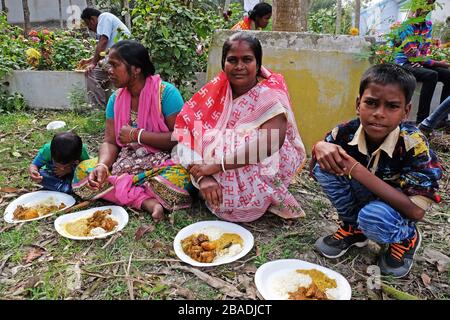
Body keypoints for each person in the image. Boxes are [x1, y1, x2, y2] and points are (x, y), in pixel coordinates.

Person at [311, 64, 443, 278]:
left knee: (375, 217)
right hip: (365, 195)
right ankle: (354, 228)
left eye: (392, 106)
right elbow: (322, 152)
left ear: (406, 111)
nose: (379, 114)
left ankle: (405, 237)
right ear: (358, 104)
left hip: (396, 209)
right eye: (371, 103)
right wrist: (319, 146)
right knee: (324, 165)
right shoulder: (346, 132)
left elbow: (416, 211)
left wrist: (356, 169)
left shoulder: (413, 144)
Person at [173, 32, 306, 223]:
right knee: (184, 144)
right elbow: (186, 132)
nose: (239, 67)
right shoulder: (215, 92)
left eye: (247, 60)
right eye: (232, 60)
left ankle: (226, 194)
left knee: (237, 148)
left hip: (250, 165)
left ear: (258, 64)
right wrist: (204, 177)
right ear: (223, 64)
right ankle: (201, 183)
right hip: (210, 167)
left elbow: (269, 143)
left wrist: (216, 166)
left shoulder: (269, 97)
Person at [73, 40, 192, 222]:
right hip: (125, 164)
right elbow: (110, 141)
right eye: (108, 65)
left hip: (161, 165)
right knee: (84, 171)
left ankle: (119, 189)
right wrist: (103, 165)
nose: (109, 71)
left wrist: (138, 135)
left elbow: (179, 138)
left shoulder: (166, 94)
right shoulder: (115, 99)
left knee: (182, 178)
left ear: (136, 69)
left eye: (114, 65)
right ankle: (145, 201)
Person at [393, 0, 450, 124]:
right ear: (417, 8)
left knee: (448, 75)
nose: (427, 9)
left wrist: (422, 61)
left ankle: (441, 118)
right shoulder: (406, 26)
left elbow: (424, 50)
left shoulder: (428, 25)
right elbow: (411, 54)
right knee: (431, 75)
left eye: (429, 6)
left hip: (418, 61)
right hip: (403, 63)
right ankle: (422, 120)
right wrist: (439, 63)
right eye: (425, 5)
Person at [79, 7, 131, 107]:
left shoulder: (104, 17)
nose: (90, 29)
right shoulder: (107, 20)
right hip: (120, 56)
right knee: (96, 71)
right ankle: (104, 107)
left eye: (88, 24)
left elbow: (103, 41)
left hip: (121, 57)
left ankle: (99, 108)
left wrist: (93, 63)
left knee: (91, 72)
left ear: (93, 19)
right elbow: (105, 51)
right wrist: (90, 60)